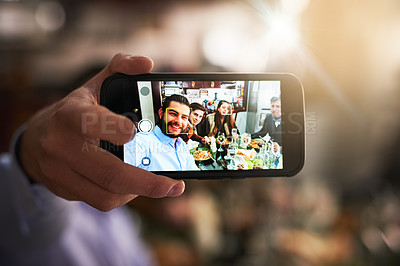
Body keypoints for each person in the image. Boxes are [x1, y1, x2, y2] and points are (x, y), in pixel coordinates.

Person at [0, 53, 185, 266]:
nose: (111, 130)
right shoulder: (44, 206)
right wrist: (33, 158)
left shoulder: (119, 214)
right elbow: (22, 218)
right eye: (95, 118)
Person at [124, 94, 199, 171]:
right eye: (173, 114)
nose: (178, 121)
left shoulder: (182, 145)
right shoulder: (141, 142)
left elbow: (193, 170)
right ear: (161, 113)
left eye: (184, 117)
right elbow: (120, 173)